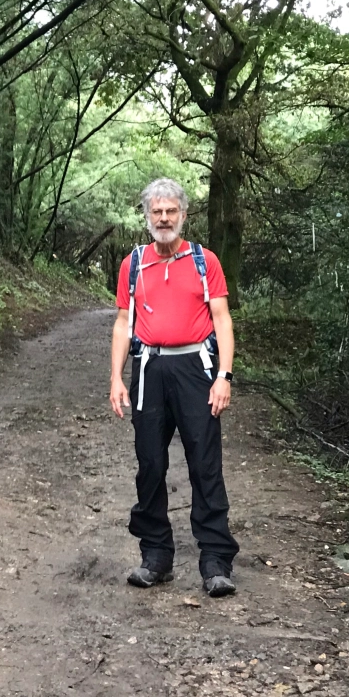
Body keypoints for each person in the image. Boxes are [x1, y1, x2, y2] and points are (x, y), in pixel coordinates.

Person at [109, 178, 239, 597]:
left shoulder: (205, 261)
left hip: (196, 368)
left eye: (171, 211)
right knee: (150, 464)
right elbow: (123, 324)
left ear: (184, 214)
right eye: (156, 211)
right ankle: (156, 557)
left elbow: (222, 320)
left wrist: (224, 376)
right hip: (149, 368)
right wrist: (116, 378)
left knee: (204, 463)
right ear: (146, 217)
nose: (163, 218)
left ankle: (215, 561)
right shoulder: (134, 264)